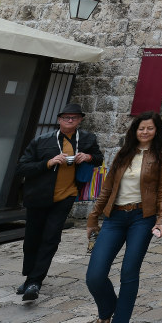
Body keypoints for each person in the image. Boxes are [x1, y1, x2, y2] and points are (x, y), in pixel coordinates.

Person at [86, 111, 162, 323]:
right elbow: (107, 187)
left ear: (156, 131)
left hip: (142, 218)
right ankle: (107, 310)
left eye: (149, 128)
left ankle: (119, 322)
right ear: (135, 130)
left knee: (129, 272)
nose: (145, 132)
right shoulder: (123, 153)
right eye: (141, 128)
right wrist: (93, 217)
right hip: (114, 218)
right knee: (95, 276)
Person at [14, 102, 103, 301]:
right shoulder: (42, 141)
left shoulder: (87, 139)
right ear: (59, 120)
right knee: (32, 240)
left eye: (74, 118)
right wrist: (49, 162)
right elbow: (22, 168)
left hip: (66, 195)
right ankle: (29, 278)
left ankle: (35, 281)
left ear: (80, 120)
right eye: (66, 118)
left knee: (51, 238)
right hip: (38, 196)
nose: (70, 121)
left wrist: (87, 156)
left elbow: (98, 158)